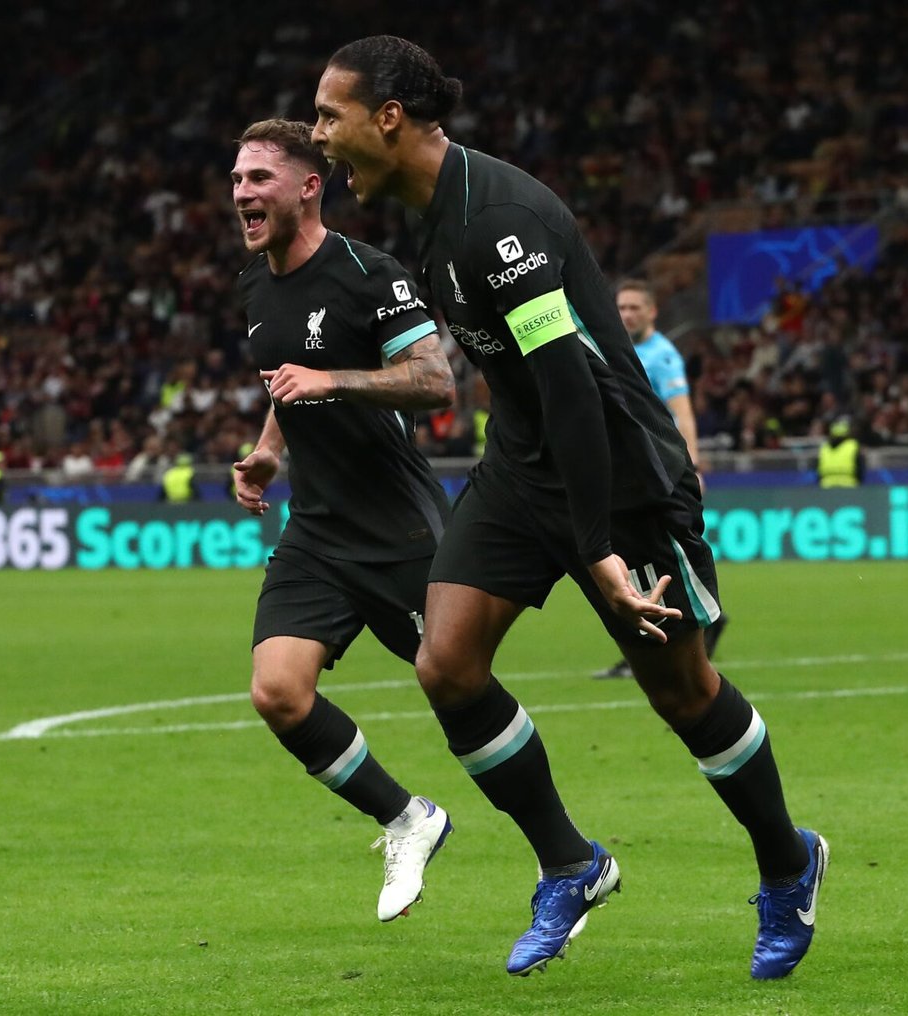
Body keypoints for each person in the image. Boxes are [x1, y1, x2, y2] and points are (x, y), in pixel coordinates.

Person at [313, 37, 825, 979]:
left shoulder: (499, 222)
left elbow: (577, 395)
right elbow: (527, 391)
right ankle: (570, 862)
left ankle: (789, 865)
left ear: (387, 117)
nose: (320, 139)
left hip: (620, 471)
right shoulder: (424, 219)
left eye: (328, 116)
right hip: (522, 459)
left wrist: (595, 551)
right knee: (448, 664)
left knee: (683, 691)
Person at [230, 118, 458, 922]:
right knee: (278, 693)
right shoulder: (255, 288)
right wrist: (267, 451)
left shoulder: (369, 271)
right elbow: (285, 385)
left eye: (260, 178)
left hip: (396, 526)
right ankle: (408, 819)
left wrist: (334, 381)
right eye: (237, 179)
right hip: (317, 529)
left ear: (308, 186)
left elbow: (435, 382)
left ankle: (566, 856)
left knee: (458, 687)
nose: (243, 194)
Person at [596, 280, 725, 678]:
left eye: (635, 307)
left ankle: (688, 628)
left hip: (657, 471)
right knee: (636, 560)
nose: (627, 314)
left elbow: (681, 412)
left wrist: (694, 467)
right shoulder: (618, 348)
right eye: (622, 307)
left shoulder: (662, 355)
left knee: (650, 557)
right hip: (627, 469)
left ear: (652, 312)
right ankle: (650, 643)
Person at [817, 418, 863, 487]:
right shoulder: (853, 445)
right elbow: (860, 468)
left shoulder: (824, 447)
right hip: (848, 486)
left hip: (826, 486)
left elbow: (818, 469)